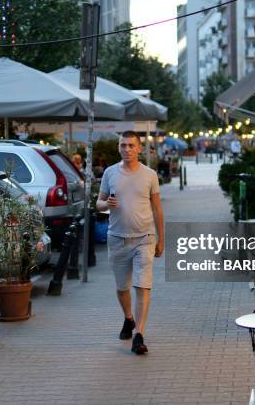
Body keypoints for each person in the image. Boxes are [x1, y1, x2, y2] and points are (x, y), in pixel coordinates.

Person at [96, 130, 165, 355]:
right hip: (117, 238)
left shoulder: (150, 175)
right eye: (123, 145)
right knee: (122, 288)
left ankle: (139, 335)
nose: (127, 149)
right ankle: (128, 318)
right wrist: (107, 204)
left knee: (142, 285)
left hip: (144, 238)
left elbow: (157, 208)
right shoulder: (109, 173)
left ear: (139, 148)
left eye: (131, 145)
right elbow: (98, 203)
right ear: (119, 147)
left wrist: (161, 239)